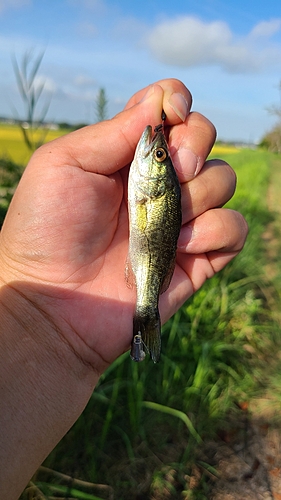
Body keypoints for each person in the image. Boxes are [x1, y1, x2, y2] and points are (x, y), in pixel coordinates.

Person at [0, 78, 248, 498]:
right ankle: (145, 328)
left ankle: (144, 323)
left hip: (134, 273)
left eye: (159, 153)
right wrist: (35, 319)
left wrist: (40, 330)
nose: (155, 146)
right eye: (160, 154)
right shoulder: (145, 177)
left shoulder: (150, 180)